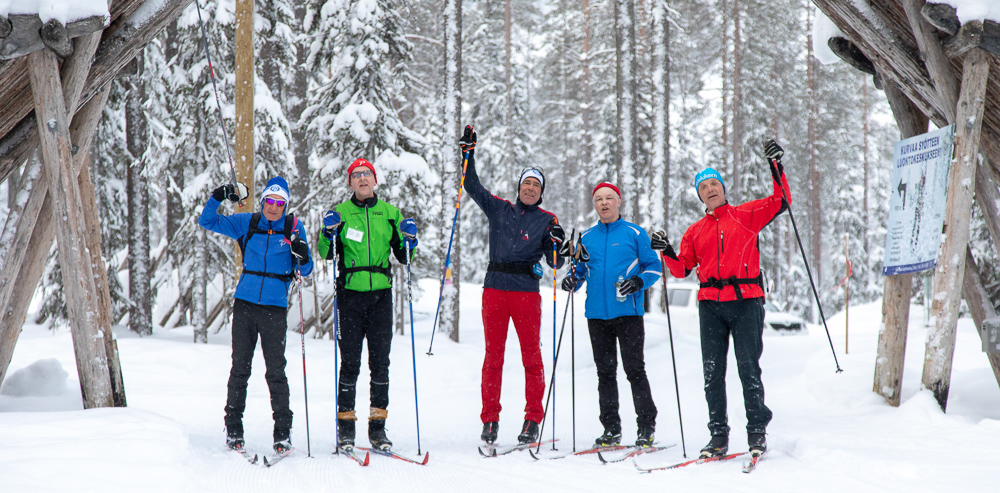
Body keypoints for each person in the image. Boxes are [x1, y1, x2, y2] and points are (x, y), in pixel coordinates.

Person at [651, 139, 790, 458]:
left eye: (714, 183)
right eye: (704, 187)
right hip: (710, 305)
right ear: (699, 195)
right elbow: (682, 268)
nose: (710, 189)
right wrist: (667, 250)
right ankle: (718, 436)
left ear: (723, 189)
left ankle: (756, 432)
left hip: (746, 301)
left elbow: (781, 201)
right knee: (712, 372)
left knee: (748, 369)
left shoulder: (746, 214)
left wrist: (776, 166)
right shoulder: (694, 230)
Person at [460, 125, 566, 445]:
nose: (530, 188)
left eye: (536, 185)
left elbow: (556, 263)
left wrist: (557, 244)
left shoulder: (548, 220)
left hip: (526, 295)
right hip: (494, 290)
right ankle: (490, 420)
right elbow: (471, 184)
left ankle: (532, 419)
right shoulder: (499, 208)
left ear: (541, 191)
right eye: (527, 183)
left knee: (531, 356)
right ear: (519, 187)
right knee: (494, 356)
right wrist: (468, 155)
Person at [199, 176, 313, 456]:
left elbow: (306, 269)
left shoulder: (293, 227)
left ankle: (282, 434)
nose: (273, 207)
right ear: (263, 202)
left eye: (280, 203)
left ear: (285, 206)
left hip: (275, 308)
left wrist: (302, 253)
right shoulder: (246, 222)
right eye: (270, 202)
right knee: (240, 368)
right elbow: (208, 221)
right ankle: (234, 429)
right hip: (245, 304)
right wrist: (220, 195)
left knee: (276, 371)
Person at [317, 158, 417, 452]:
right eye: (356, 175)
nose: (362, 179)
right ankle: (346, 429)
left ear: (375, 180)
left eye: (367, 174)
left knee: (380, 365)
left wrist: (411, 239)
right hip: (350, 296)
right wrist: (327, 232)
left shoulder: (390, 213)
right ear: (350, 183)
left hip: (381, 297)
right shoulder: (341, 213)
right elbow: (326, 253)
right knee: (350, 364)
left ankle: (378, 430)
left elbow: (404, 255)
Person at [561, 182, 663, 448]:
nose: (604, 203)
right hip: (596, 315)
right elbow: (580, 272)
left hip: (628, 313)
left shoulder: (635, 233)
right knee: (605, 374)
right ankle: (611, 429)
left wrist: (639, 282)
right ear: (594, 204)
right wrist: (571, 280)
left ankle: (646, 427)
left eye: (609, 198)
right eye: (598, 199)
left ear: (618, 202)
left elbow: (653, 267)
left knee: (634, 371)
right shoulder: (587, 238)